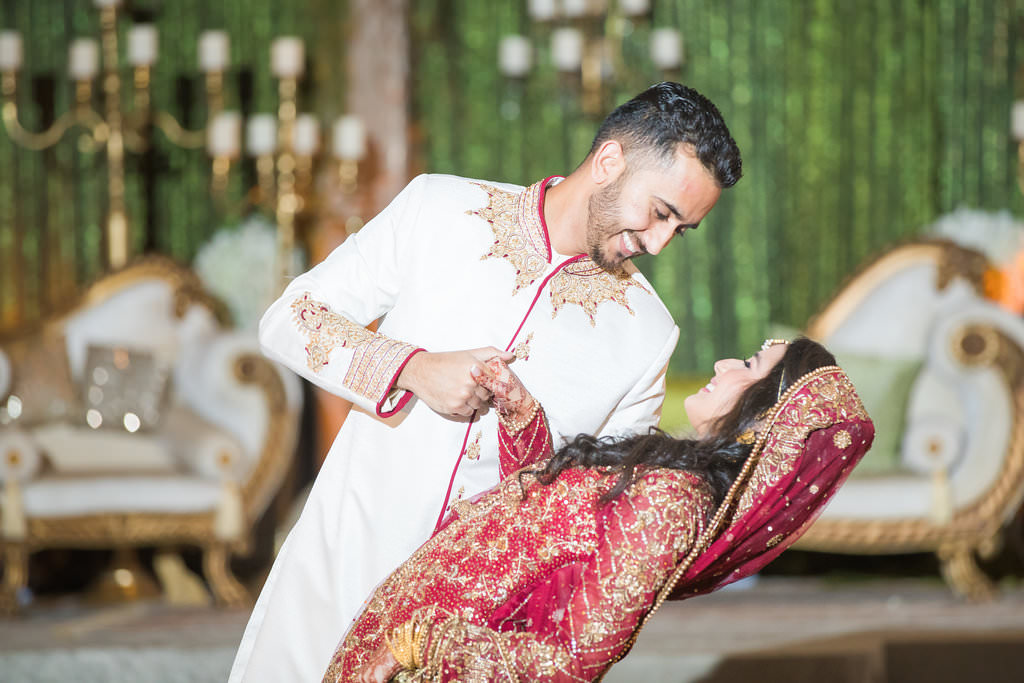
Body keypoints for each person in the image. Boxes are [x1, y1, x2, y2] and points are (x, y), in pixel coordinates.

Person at [229, 82, 742, 682]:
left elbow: (589, 520)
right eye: (660, 213)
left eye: (679, 230)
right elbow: (291, 317)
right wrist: (413, 368)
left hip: (470, 634)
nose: (658, 243)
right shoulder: (440, 210)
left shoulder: (647, 332)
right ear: (609, 162)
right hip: (343, 563)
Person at [318, 338, 873, 682]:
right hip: (404, 631)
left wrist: (425, 647)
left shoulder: (673, 502)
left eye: (750, 364)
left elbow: (574, 661)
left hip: (424, 658)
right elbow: (545, 536)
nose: (727, 361)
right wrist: (520, 412)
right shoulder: (668, 476)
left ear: (763, 422)